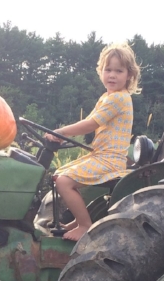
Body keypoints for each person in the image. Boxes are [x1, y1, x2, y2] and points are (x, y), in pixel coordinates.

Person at [45, 42, 140, 241]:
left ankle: (85, 225)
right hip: (100, 154)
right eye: (108, 70)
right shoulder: (107, 97)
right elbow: (90, 122)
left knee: (64, 181)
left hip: (109, 160)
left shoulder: (119, 99)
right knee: (58, 175)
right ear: (101, 72)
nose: (112, 75)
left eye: (119, 71)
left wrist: (61, 131)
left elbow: (90, 124)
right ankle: (77, 222)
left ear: (129, 75)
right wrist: (62, 138)